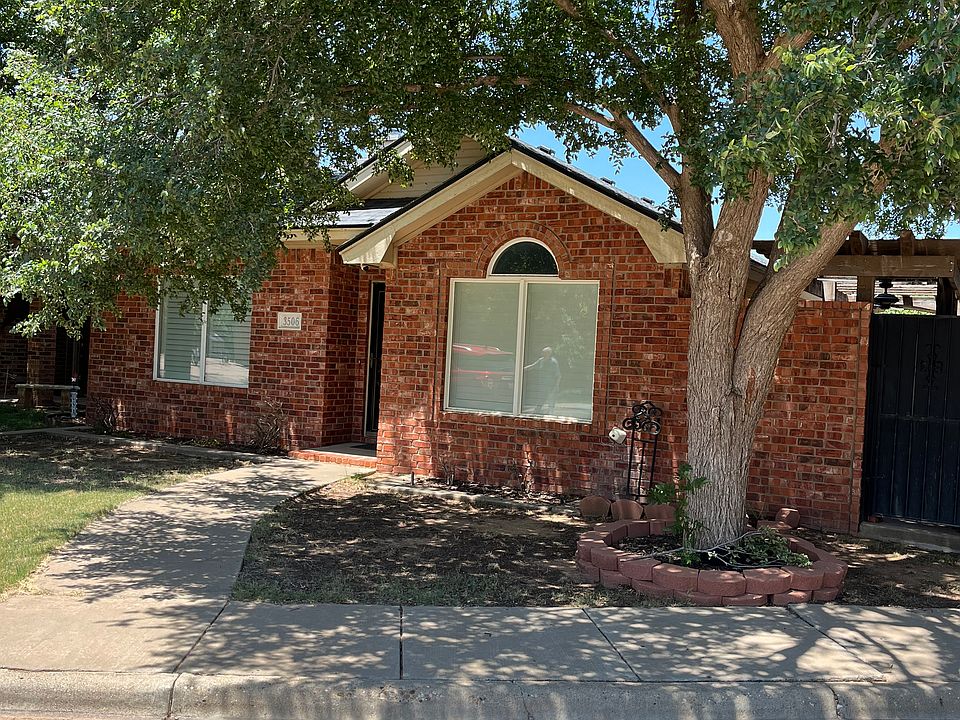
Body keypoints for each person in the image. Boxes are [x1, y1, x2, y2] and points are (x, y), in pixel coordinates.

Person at [523, 346, 561, 413]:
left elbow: (558, 375)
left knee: (551, 400)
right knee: (541, 398)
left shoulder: (553, 362)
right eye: (542, 352)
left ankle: (550, 413)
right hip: (542, 384)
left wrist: (556, 386)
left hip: (551, 385)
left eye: (544, 352)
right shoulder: (541, 360)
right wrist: (522, 369)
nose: (542, 353)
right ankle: (537, 411)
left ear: (548, 353)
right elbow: (533, 366)